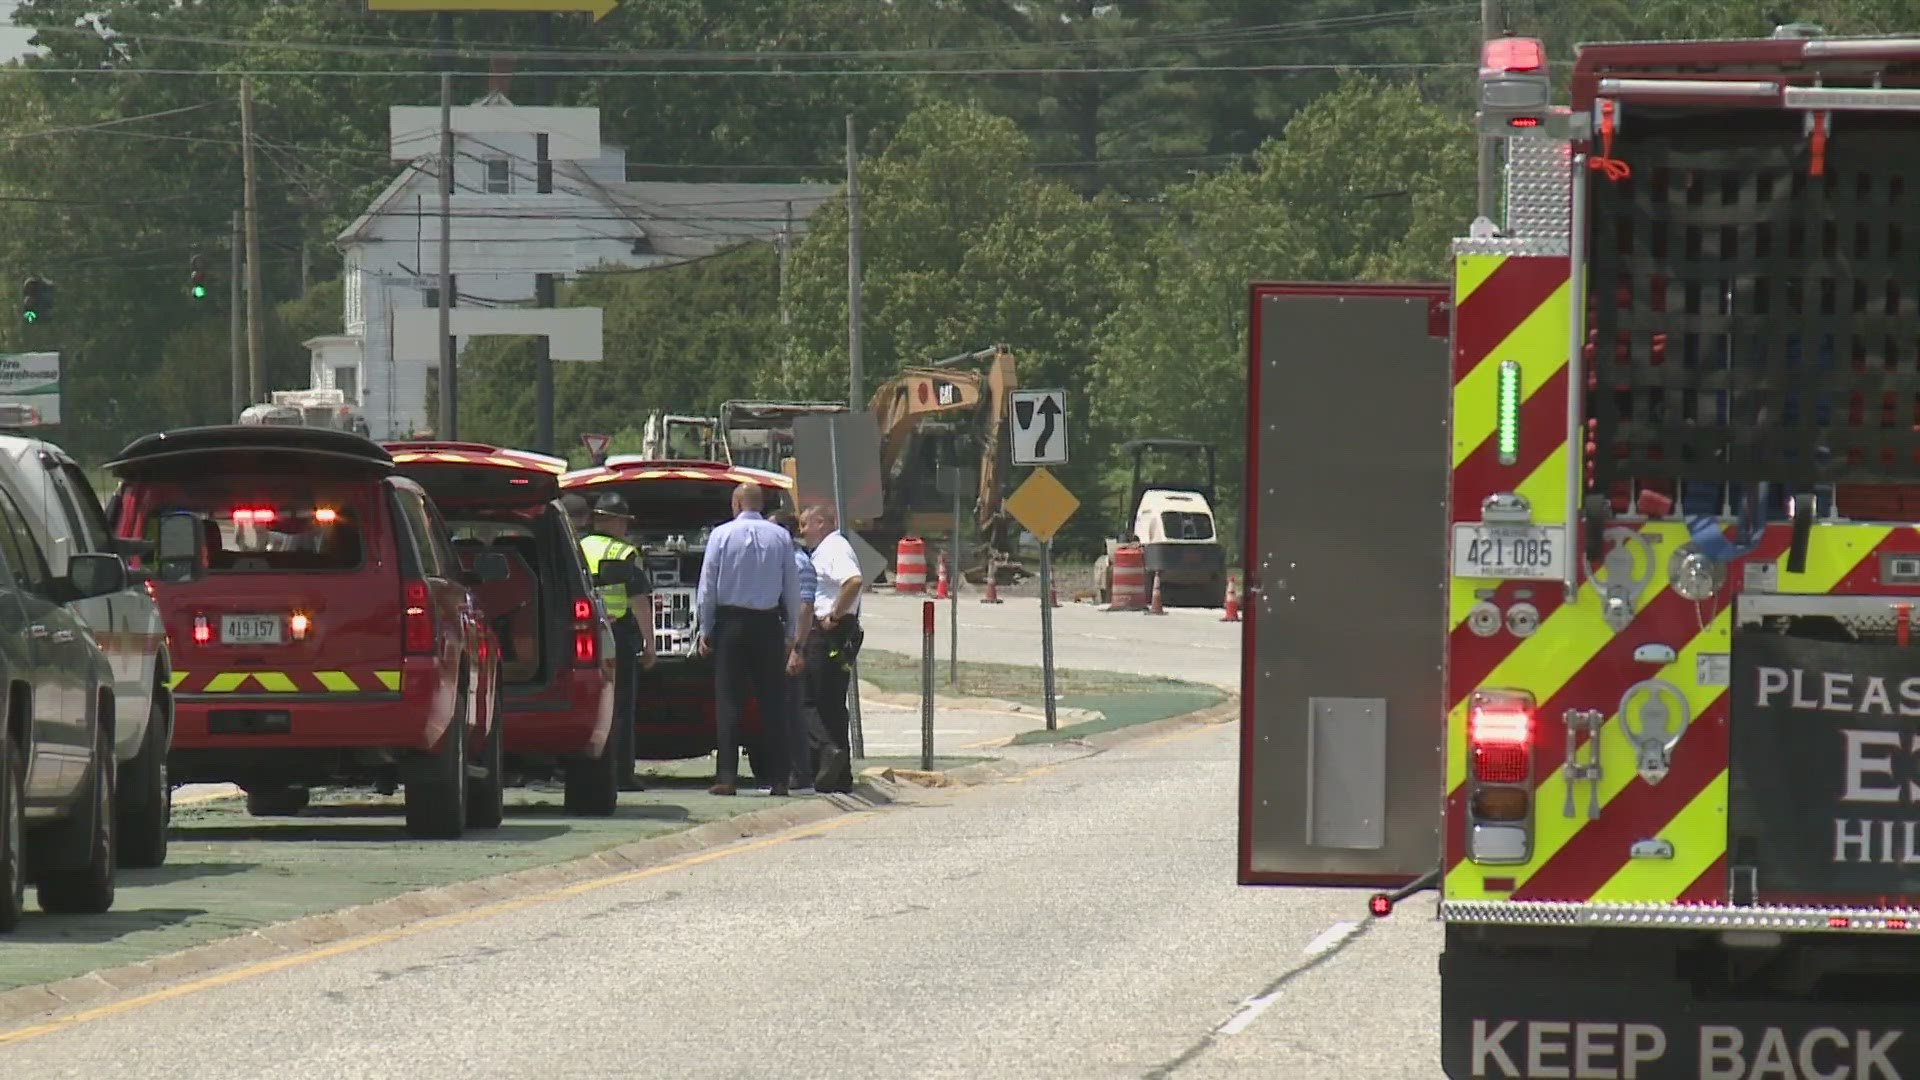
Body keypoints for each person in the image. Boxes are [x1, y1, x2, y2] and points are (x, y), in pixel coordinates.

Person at [695, 482, 801, 796]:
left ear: (738, 503)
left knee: (728, 700)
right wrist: (790, 633)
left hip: (731, 623)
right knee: (773, 702)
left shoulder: (721, 535)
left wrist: (706, 629)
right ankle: (780, 778)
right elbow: (791, 588)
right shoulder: (780, 537)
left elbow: (707, 586)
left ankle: (727, 776)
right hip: (767, 623)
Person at [567, 492, 655, 787]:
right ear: (612, 521)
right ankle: (620, 774)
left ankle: (575, 769)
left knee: (585, 702)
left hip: (579, 632)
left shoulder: (576, 547)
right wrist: (649, 645)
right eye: (623, 521)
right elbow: (639, 601)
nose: (626, 528)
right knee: (620, 706)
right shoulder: (626, 553)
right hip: (616, 635)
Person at [799, 503, 864, 794]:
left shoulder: (833, 548)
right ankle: (841, 774)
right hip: (837, 634)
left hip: (829, 634)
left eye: (805, 524)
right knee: (832, 705)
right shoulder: (830, 548)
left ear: (822, 523)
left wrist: (834, 615)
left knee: (808, 700)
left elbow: (853, 581)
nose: (802, 531)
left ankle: (828, 751)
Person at [769, 508, 816, 791]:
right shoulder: (786, 561)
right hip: (781, 642)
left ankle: (800, 772)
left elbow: (805, 607)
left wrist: (797, 648)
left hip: (791, 645)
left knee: (791, 712)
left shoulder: (799, 563)